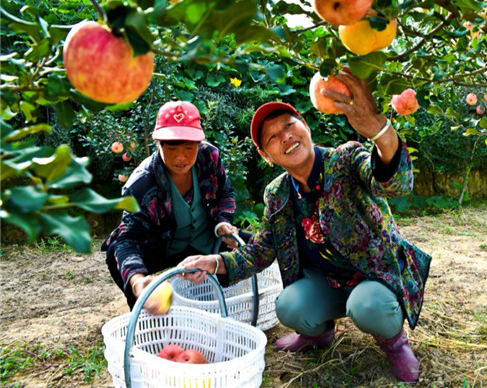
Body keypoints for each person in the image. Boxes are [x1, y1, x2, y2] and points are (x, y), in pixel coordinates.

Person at [177, 69, 431, 383]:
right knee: (289, 306)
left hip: (373, 279)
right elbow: (259, 252)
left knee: (367, 306)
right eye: (272, 137)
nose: (285, 137)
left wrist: (380, 131)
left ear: (305, 127)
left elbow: (394, 183)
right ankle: (318, 335)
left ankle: (394, 342)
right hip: (329, 283)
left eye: (289, 125)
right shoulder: (278, 193)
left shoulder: (346, 160)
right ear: (266, 155)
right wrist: (214, 262)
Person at [101, 100, 247, 313]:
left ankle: (222, 296)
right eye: (171, 148)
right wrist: (138, 282)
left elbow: (226, 193)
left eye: (189, 148)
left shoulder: (210, 158)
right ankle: (145, 309)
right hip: (164, 247)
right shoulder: (141, 184)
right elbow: (128, 240)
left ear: (199, 144)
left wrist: (223, 223)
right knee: (116, 252)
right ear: (158, 144)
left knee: (255, 246)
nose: (181, 157)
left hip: (208, 241)